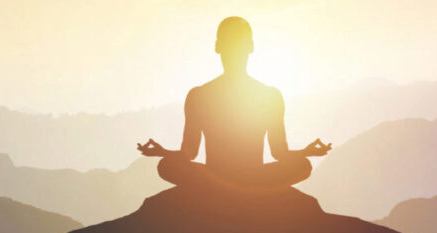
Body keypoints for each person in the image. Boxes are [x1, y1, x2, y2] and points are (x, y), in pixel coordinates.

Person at [137, 16, 330, 191]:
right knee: (301, 165)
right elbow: (279, 153)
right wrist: (306, 152)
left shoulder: (203, 95)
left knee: (302, 165)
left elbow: (189, 153)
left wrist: (162, 153)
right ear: (250, 46)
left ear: (217, 46)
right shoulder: (266, 95)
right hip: (252, 178)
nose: (234, 51)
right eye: (231, 44)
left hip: (224, 177)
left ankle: (225, 189)